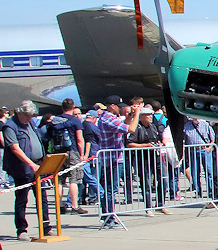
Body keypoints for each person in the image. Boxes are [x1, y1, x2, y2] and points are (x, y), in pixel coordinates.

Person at [1, 100, 52, 239]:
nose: (30, 118)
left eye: (31, 116)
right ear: (20, 113)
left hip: (38, 166)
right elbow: (15, 148)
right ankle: (21, 229)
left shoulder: (30, 123)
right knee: (22, 199)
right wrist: (30, 164)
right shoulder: (10, 126)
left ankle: (46, 226)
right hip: (22, 168)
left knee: (42, 198)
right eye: (28, 116)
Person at [95, 95, 140, 227]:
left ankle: (109, 216)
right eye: (119, 107)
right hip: (111, 159)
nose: (120, 109)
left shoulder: (111, 118)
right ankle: (108, 217)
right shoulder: (107, 119)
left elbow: (124, 125)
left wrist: (130, 116)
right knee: (111, 190)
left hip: (114, 158)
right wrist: (137, 114)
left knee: (112, 189)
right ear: (112, 106)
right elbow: (131, 129)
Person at [47, 98, 89, 215]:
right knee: (74, 179)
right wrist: (82, 154)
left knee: (59, 180)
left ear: (62, 107)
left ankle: (59, 205)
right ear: (73, 107)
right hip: (72, 151)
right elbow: (80, 139)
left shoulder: (55, 120)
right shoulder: (75, 121)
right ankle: (74, 206)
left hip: (57, 152)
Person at [126, 106, 169, 214]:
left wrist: (159, 144)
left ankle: (160, 204)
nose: (150, 117)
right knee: (146, 184)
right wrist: (145, 145)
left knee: (163, 180)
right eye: (148, 115)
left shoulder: (153, 126)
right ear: (141, 117)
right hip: (143, 159)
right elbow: (129, 144)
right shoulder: (137, 128)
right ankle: (148, 207)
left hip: (156, 157)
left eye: (151, 115)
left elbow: (158, 138)